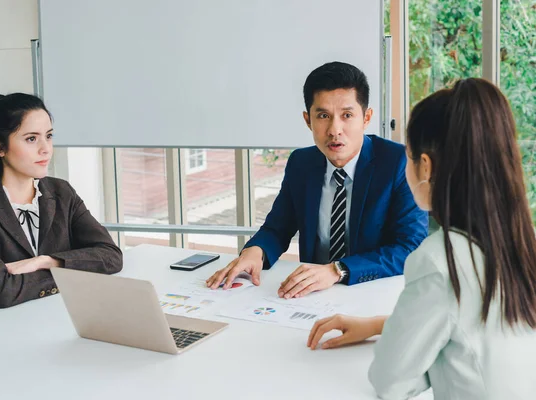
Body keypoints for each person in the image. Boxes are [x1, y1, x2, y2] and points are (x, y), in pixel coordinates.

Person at [307, 78, 536, 399]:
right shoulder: (517, 240)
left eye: (410, 157)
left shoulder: (439, 259)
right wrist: (377, 325)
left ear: (425, 167)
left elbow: (391, 382)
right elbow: (466, 324)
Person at [207, 61, 428, 297]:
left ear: (366, 118)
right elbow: (277, 228)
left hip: (373, 296)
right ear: (307, 119)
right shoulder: (301, 163)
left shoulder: (397, 162)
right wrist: (255, 251)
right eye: (323, 115)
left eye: (347, 115)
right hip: (312, 298)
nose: (335, 130)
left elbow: (411, 247)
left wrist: (337, 270)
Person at [0, 93, 123, 309]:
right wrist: (71, 271)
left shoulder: (61, 192)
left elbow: (111, 256)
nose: (45, 148)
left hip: (61, 317)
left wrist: (48, 261)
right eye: (31, 138)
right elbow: (1, 291)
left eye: (48, 136)